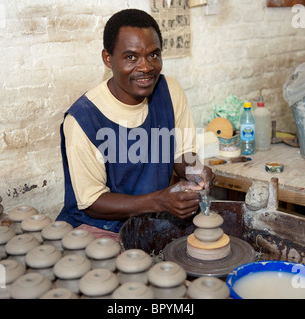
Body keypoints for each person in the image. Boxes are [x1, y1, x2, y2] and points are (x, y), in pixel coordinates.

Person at [56, 9, 214, 237]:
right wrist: (160, 201)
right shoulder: (83, 119)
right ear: (108, 58)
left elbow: (183, 153)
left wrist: (194, 170)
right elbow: (92, 202)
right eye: (131, 57)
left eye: (153, 55)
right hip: (96, 228)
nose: (146, 67)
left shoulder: (170, 92)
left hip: (150, 219)